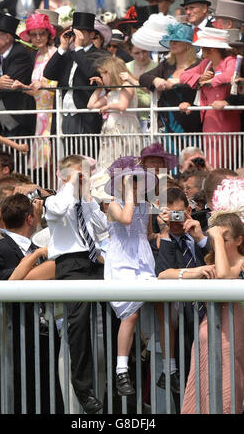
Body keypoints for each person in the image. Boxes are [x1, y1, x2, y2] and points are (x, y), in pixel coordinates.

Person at [0, 193, 64, 413]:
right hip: (12, 343)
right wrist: (29, 273)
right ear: (30, 219)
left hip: (41, 340)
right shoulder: (0, 246)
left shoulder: (34, 244)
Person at [44, 154, 108, 414]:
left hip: (95, 262)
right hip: (70, 264)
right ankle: (82, 387)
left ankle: (118, 374)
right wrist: (71, 182)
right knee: (78, 323)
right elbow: (58, 210)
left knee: (111, 317)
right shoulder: (54, 200)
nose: (84, 178)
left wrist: (90, 198)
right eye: (80, 174)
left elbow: (103, 228)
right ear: (63, 176)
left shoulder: (85, 201)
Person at [103, 156, 157, 396]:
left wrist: (167, 226)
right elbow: (125, 219)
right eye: (129, 181)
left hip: (143, 260)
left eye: (136, 180)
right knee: (131, 314)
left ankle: (168, 367)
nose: (134, 185)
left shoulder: (145, 206)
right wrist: (127, 192)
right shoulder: (113, 205)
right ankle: (121, 370)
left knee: (162, 304)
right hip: (121, 262)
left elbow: (147, 235)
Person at [181, 211, 244, 414]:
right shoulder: (212, 265)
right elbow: (163, 274)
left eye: (224, 239)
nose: (219, 243)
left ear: (239, 240)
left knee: (226, 399)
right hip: (205, 340)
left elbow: (225, 277)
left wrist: (214, 237)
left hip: (232, 341)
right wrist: (191, 272)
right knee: (199, 399)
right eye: (217, 239)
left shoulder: (240, 263)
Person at [151, 187, 210, 390]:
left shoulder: (201, 235)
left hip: (210, 317)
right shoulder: (157, 242)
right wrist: (165, 231)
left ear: (189, 211)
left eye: (179, 213)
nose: (175, 220)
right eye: (170, 214)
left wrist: (200, 238)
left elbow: (219, 261)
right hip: (182, 326)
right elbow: (163, 273)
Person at [179, 27, 240, 168]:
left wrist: (211, 81)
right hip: (209, 118)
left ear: (212, 48)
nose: (201, 49)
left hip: (227, 118)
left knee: (227, 159)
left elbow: (231, 75)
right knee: (212, 159)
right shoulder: (206, 64)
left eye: (204, 46)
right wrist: (200, 78)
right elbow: (183, 76)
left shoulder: (230, 60)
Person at [44, 11, 105, 146]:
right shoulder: (68, 54)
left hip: (85, 112)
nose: (77, 35)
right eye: (75, 32)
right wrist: (62, 48)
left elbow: (91, 72)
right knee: (64, 155)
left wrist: (78, 48)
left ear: (92, 34)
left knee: (85, 156)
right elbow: (48, 73)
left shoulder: (100, 54)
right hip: (63, 110)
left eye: (81, 32)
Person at [139, 23, 202, 148]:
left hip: (191, 120)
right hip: (169, 121)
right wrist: (155, 80)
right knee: (170, 160)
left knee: (191, 161)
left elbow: (201, 87)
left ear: (188, 44)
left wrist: (179, 83)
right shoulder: (166, 64)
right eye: (171, 40)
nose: (172, 43)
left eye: (177, 41)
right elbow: (143, 78)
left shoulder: (199, 65)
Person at [15, 13, 58, 170]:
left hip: (55, 111)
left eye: (42, 33)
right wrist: (22, 87)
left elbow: (58, 82)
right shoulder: (35, 56)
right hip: (40, 113)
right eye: (34, 34)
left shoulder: (55, 53)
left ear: (48, 34)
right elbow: (36, 91)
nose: (38, 37)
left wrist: (43, 84)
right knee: (44, 165)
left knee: (55, 160)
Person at [0, 12, 36, 137]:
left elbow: (9, 83)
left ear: (7, 37)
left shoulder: (21, 53)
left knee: (20, 152)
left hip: (19, 116)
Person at [87, 56, 141, 169]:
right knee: (108, 163)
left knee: (124, 162)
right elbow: (91, 105)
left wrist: (109, 106)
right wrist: (99, 88)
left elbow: (122, 105)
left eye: (103, 75)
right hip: (112, 130)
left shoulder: (127, 86)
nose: (102, 78)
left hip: (124, 128)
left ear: (110, 73)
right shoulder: (112, 92)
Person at [125, 43, 157, 131]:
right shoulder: (126, 67)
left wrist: (132, 81)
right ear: (130, 52)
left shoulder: (157, 67)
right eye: (137, 53)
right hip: (129, 116)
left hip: (150, 117)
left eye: (144, 52)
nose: (141, 56)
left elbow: (155, 94)